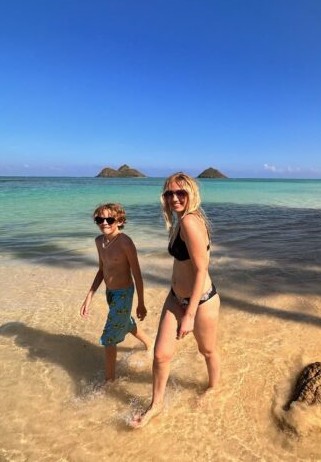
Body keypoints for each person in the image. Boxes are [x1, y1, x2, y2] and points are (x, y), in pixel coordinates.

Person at [131, 172, 220, 428]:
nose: (174, 198)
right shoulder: (180, 221)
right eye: (170, 193)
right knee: (160, 355)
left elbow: (202, 270)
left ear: (192, 193)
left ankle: (214, 388)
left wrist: (189, 315)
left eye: (181, 192)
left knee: (207, 350)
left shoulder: (191, 221)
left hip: (201, 300)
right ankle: (156, 405)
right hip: (175, 298)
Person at [80, 203, 148, 382]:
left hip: (124, 294)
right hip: (110, 293)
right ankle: (151, 344)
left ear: (119, 221)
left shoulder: (125, 242)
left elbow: (137, 275)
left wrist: (141, 302)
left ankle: (109, 381)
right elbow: (102, 270)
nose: (104, 223)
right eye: (99, 219)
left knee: (109, 338)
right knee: (126, 323)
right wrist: (89, 296)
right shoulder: (99, 241)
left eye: (109, 219)